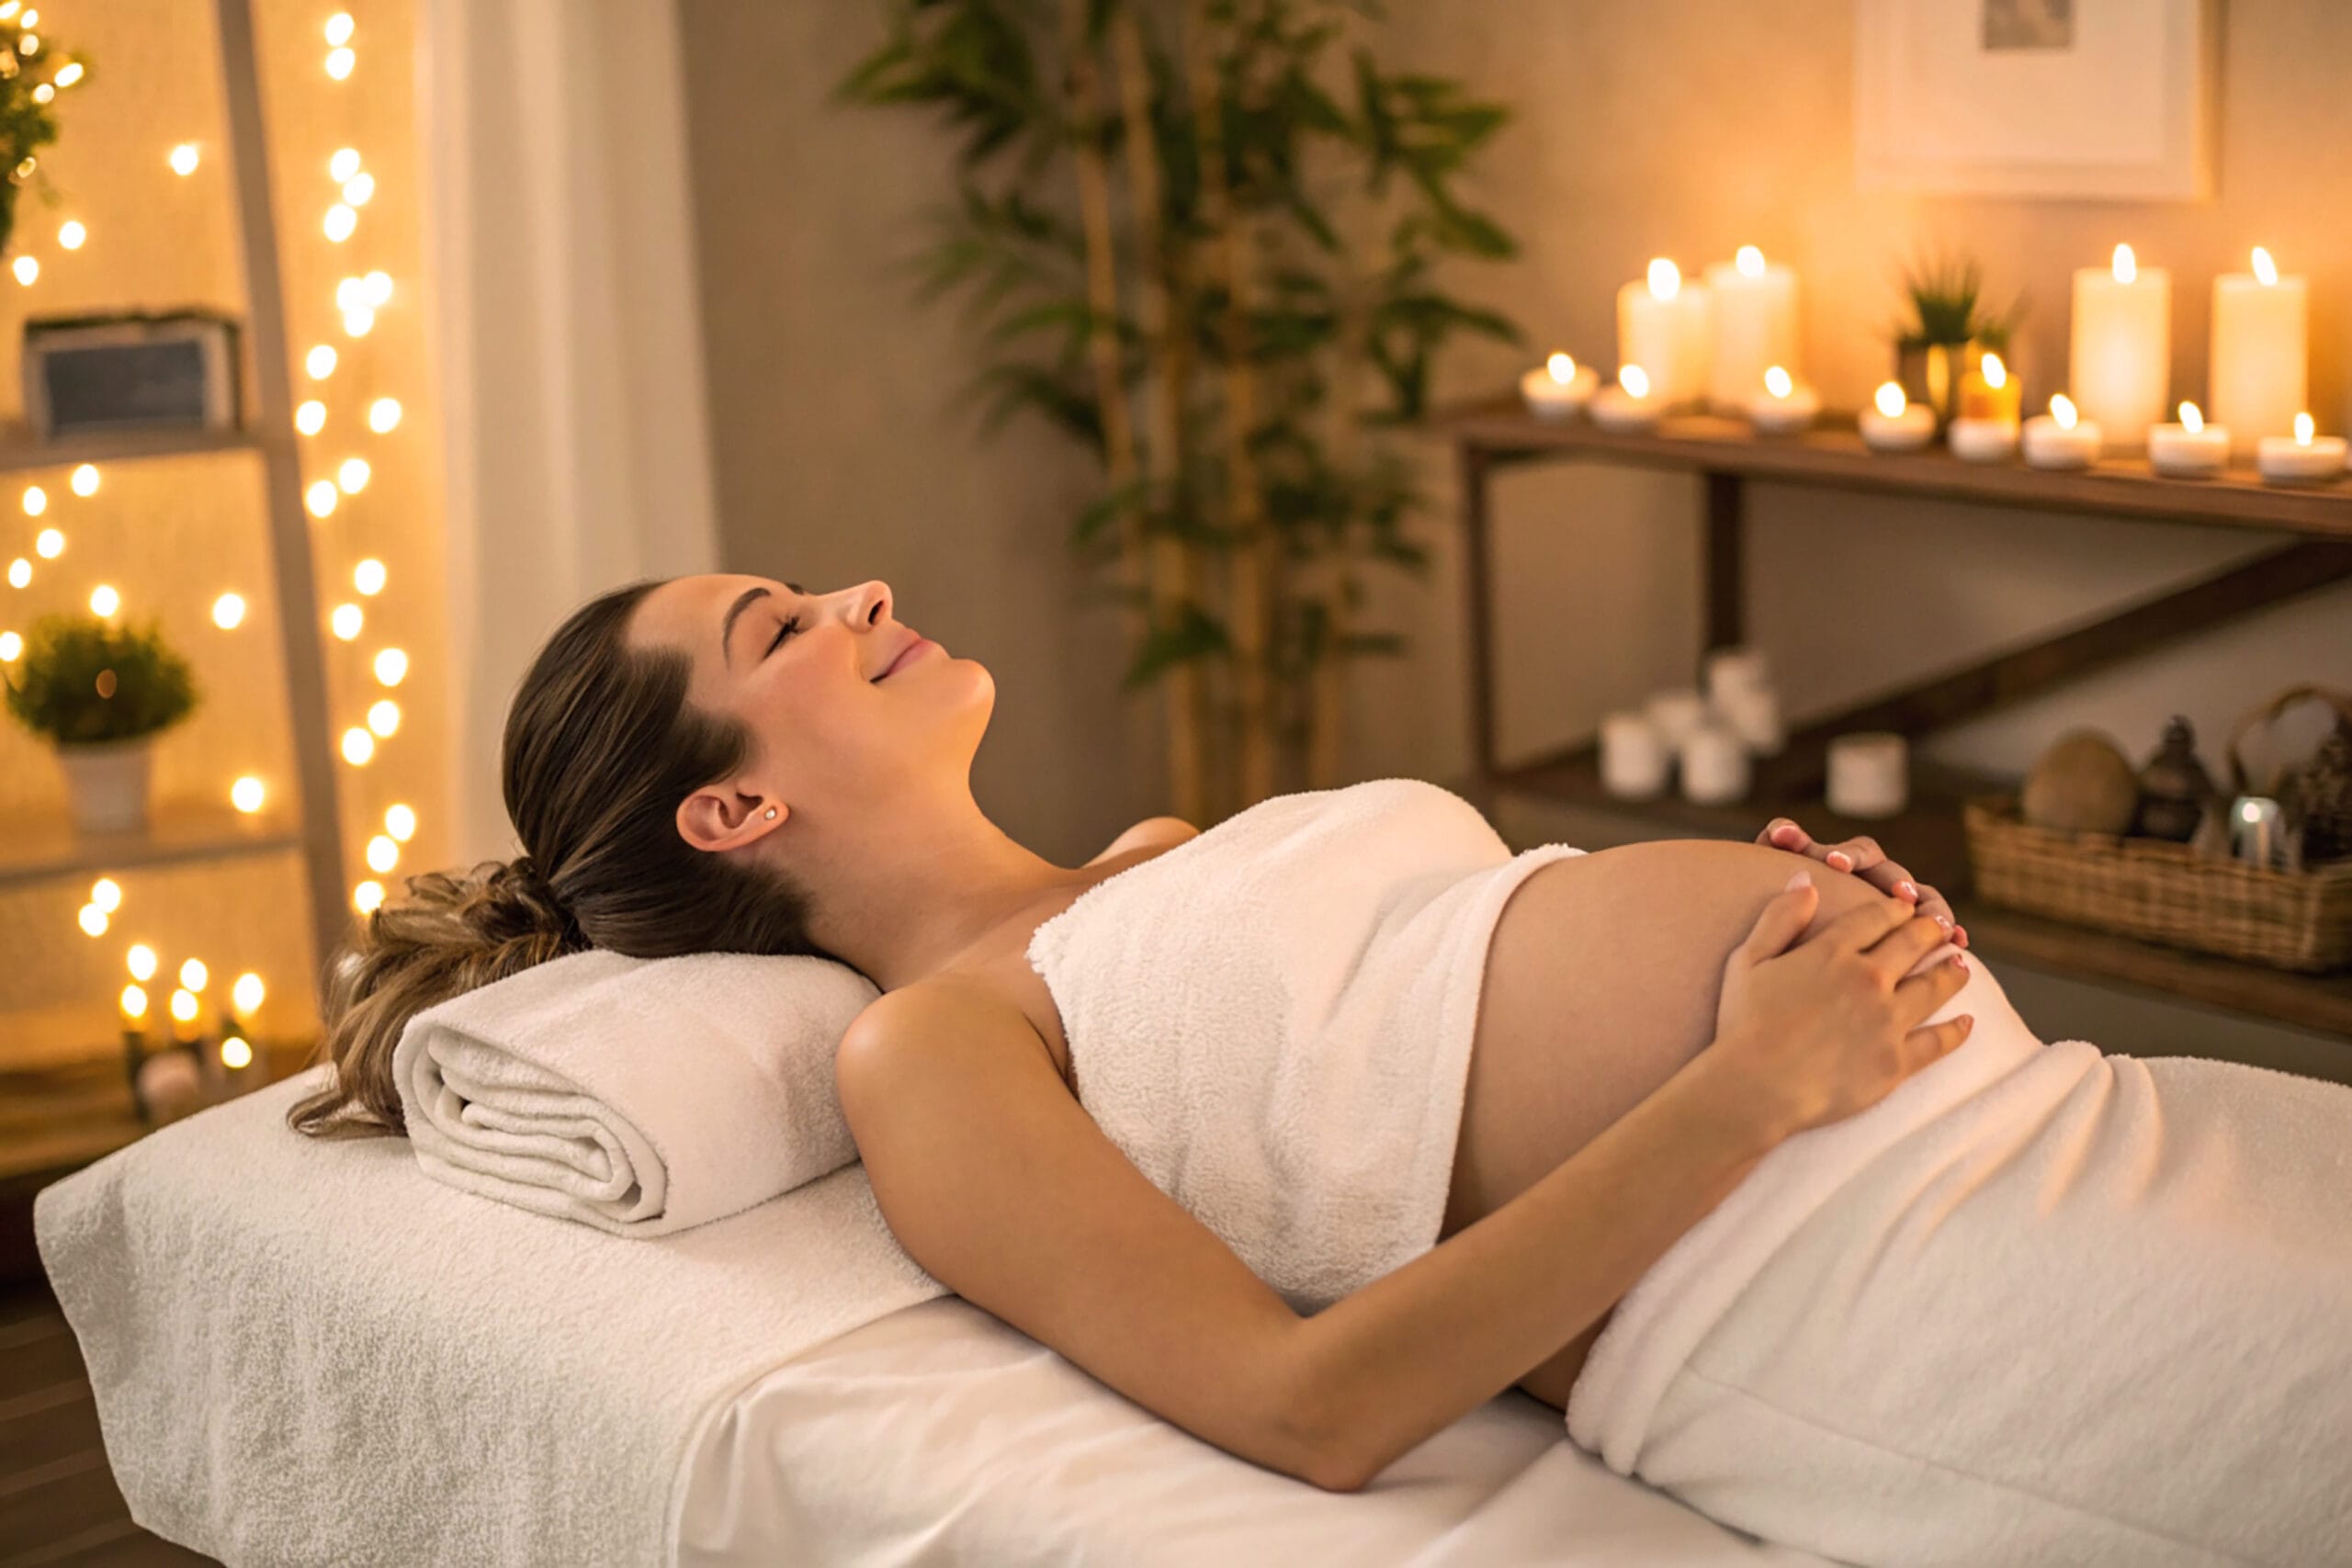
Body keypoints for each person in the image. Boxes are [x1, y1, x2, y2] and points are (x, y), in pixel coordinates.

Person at [288, 575, 2344, 1559]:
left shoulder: (1154, 859)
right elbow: (1309, 1406)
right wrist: (1754, 1076)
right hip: (1849, 1268)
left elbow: (1477, 966)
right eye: (781, 625)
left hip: (2037, 1109)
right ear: (727, 816)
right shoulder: (938, 1050)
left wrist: (1826, 933)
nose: (862, 593)